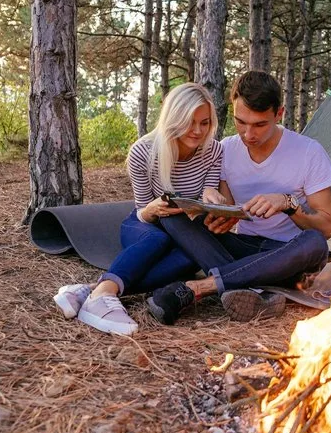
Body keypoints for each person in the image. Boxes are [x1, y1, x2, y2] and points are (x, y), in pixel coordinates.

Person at [145, 70, 331, 324]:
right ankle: (255, 291)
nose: (248, 134)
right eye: (240, 122)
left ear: (279, 114)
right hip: (243, 248)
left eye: (260, 125)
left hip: (286, 255)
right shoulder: (226, 149)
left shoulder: (308, 152)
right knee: (172, 217)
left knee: (314, 243)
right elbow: (226, 206)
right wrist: (217, 214)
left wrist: (288, 204)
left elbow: (327, 226)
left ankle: (198, 288)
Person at [53, 82, 222, 335]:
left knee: (191, 257)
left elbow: (209, 190)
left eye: (205, 122)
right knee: (158, 238)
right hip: (145, 225)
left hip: (185, 230)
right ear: (174, 118)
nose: (198, 131)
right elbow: (143, 211)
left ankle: (93, 290)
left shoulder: (214, 151)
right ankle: (101, 298)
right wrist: (153, 209)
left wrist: (213, 197)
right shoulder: (143, 152)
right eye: (190, 121)